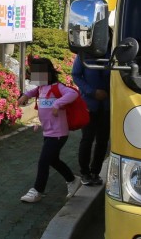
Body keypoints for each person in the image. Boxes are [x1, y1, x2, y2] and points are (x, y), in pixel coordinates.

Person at [17, 57, 81, 203]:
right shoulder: (41, 88)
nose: (32, 76)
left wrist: (58, 104)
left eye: (35, 73)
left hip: (58, 133)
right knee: (53, 159)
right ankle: (72, 180)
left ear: (46, 73)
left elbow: (73, 94)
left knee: (44, 161)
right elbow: (34, 91)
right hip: (48, 132)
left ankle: (37, 190)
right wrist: (25, 96)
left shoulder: (57, 87)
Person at [71, 52, 110, 186]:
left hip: (107, 105)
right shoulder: (83, 55)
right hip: (89, 104)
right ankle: (85, 173)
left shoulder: (113, 55)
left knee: (103, 140)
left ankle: (95, 172)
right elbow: (76, 75)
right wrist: (92, 92)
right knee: (87, 138)